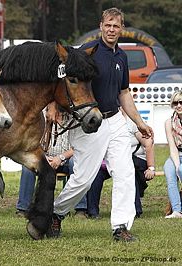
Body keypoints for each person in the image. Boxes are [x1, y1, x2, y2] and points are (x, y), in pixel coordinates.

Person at [51, 7, 153, 242]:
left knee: (125, 173)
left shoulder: (122, 57)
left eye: (116, 26)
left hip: (115, 119)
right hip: (90, 124)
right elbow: (63, 81)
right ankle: (56, 213)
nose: (111, 29)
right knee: (84, 179)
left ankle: (120, 227)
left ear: (122, 29)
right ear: (101, 26)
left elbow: (124, 93)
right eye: (108, 25)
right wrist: (53, 107)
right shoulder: (87, 51)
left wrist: (139, 124)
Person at [16, 103, 73, 217]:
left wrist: (60, 158)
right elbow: (33, 141)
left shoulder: (74, 118)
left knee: (75, 164)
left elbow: (78, 147)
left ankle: (79, 208)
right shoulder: (41, 116)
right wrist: (43, 157)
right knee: (27, 168)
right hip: (43, 158)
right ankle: (23, 208)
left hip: (66, 159)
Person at [164, 91, 182, 218]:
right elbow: (172, 147)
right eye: (176, 103)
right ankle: (177, 210)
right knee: (169, 170)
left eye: (181, 102)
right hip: (177, 154)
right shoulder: (169, 122)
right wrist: (176, 165)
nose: (179, 105)